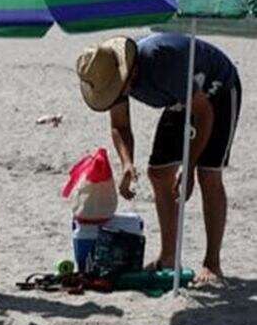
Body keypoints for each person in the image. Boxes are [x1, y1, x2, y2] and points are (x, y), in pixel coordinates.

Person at [77, 35, 242, 285]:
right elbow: (119, 125)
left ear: (129, 75)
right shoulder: (110, 75)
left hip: (216, 90)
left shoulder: (161, 63)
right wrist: (127, 164)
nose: (118, 95)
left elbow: (204, 113)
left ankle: (212, 263)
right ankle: (168, 257)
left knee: (207, 174)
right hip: (180, 97)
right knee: (158, 173)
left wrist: (189, 169)